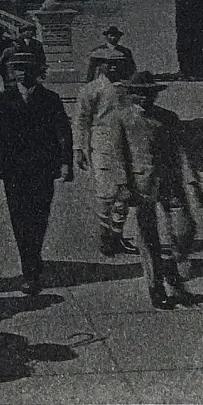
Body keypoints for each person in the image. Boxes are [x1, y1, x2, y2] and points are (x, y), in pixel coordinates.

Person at [102, 74, 203, 309]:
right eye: (140, 92)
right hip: (140, 186)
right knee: (148, 238)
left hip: (170, 182)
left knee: (185, 229)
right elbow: (117, 155)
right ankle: (156, 288)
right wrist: (123, 185)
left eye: (150, 92)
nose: (146, 96)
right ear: (131, 94)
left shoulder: (167, 118)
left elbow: (182, 151)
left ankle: (173, 266)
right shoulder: (121, 119)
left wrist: (192, 181)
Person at [0, 52, 73, 298]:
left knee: (39, 216)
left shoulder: (50, 98)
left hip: (43, 168)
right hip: (14, 170)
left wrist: (66, 164)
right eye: (17, 68)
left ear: (37, 71)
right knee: (19, 218)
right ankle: (30, 272)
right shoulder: (2, 100)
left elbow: (63, 133)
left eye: (26, 68)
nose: (21, 73)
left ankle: (33, 257)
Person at [75, 58, 137, 257]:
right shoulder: (91, 89)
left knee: (124, 193)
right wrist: (78, 148)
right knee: (105, 194)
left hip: (127, 145)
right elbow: (81, 120)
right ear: (99, 65)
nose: (113, 67)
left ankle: (117, 235)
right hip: (102, 144)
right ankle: (105, 236)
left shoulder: (127, 88)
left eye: (117, 63)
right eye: (107, 63)